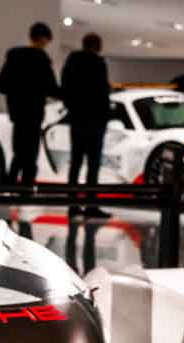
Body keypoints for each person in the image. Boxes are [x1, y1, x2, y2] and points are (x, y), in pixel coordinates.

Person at [0, 21, 59, 185]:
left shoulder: (14, 57)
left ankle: (10, 184)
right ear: (43, 39)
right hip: (34, 112)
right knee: (31, 153)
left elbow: (0, 85)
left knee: (19, 151)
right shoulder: (41, 59)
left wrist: (16, 92)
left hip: (18, 112)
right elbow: (51, 88)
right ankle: (26, 187)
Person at [59, 32, 110, 215]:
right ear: (98, 46)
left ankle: (72, 205)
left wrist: (71, 108)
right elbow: (102, 92)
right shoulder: (98, 63)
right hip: (95, 120)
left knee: (76, 162)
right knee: (93, 164)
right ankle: (91, 205)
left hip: (78, 118)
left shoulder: (72, 62)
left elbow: (64, 87)